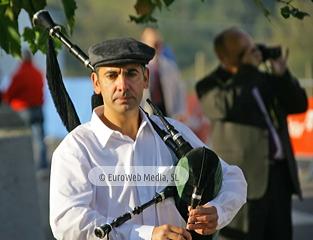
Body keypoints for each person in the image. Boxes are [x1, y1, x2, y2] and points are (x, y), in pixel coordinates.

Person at [49, 37, 247, 239]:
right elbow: (68, 223)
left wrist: (217, 211)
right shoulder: (76, 149)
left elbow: (233, 178)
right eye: (111, 75)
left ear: (146, 78)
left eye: (131, 73)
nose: (123, 85)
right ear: (96, 83)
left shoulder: (173, 131)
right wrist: (144, 235)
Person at [196, 27, 308, 240]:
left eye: (252, 50)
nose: (250, 56)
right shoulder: (210, 85)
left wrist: (282, 75)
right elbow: (224, 106)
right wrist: (246, 70)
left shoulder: (263, 78)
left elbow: (298, 104)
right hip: (243, 182)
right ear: (223, 57)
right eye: (242, 54)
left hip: (278, 178)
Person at [2, 49, 49, 170]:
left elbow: (10, 93)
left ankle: (26, 165)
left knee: (24, 138)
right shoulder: (38, 73)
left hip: (23, 110)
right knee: (40, 139)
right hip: (38, 108)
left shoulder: (19, 74)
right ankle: (43, 165)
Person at [140, 27, 186, 119]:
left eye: (159, 44)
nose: (157, 47)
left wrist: (180, 112)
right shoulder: (139, 67)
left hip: (167, 113)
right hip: (146, 113)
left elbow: (179, 90)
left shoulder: (170, 66)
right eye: (154, 44)